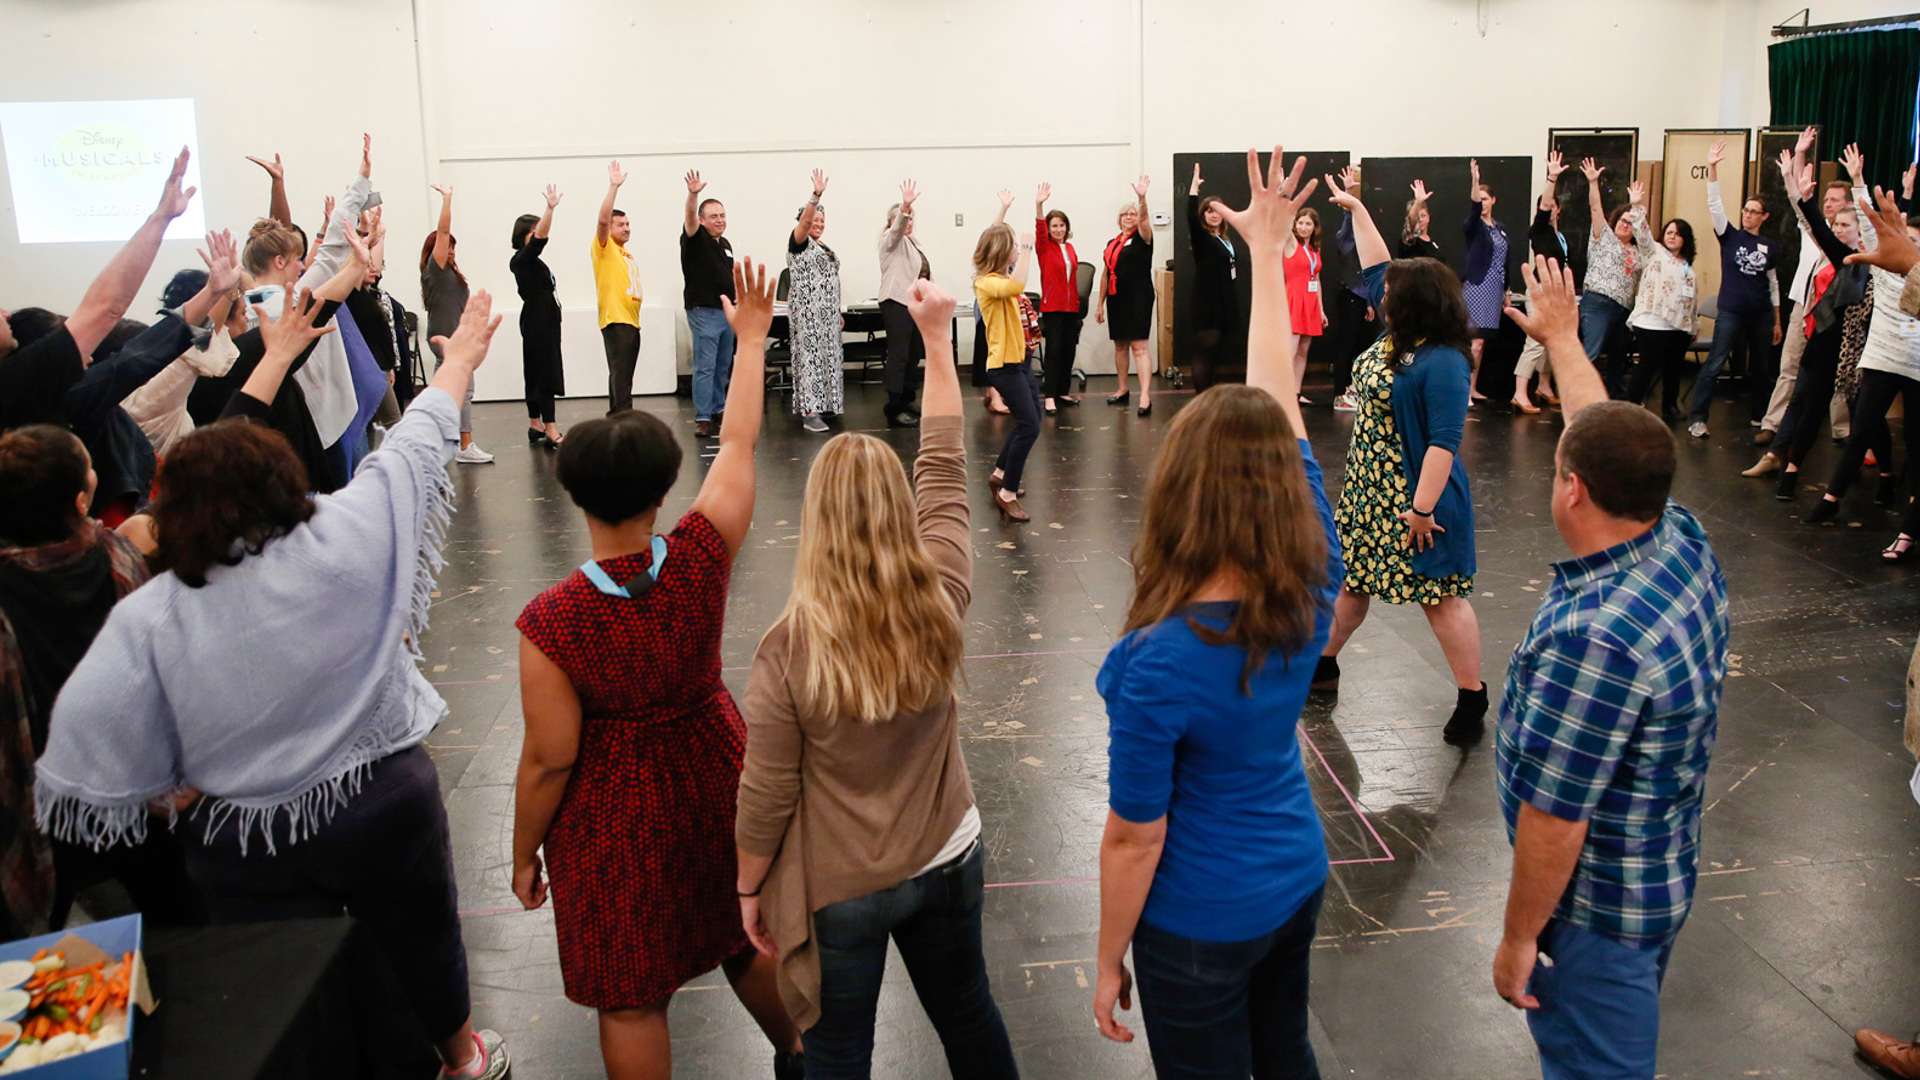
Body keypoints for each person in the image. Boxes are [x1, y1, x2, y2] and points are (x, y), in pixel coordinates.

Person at [37, 289, 514, 1080]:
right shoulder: (346, 530)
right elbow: (415, 443)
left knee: (290, 969)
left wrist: (169, 790)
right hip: (383, 801)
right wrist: (459, 358)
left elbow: (91, 741)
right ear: (283, 479)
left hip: (246, 836)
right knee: (421, 928)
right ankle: (460, 1058)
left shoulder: (152, 615)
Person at [511, 259, 803, 1080]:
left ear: (575, 496)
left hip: (612, 807)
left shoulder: (553, 620)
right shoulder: (702, 556)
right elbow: (741, 442)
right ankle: (806, 1055)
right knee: (742, 938)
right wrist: (751, 342)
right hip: (716, 769)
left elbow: (549, 758)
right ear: (666, 485)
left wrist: (523, 851)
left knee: (632, 993)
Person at [1093, 145, 1339, 1080]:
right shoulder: (1310, 577)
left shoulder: (1157, 662)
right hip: (1293, 878)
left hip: (1199, 919)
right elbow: (1281, 406)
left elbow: (1134, 835)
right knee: (1287, 1058)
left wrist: (1109, 953)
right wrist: (1273, 256)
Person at [734, 279, 1018, 1079]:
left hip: (844, 885)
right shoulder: (942, 591)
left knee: (834, 1052)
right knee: (970, 1016)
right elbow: (941, 465)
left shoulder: (790, 647)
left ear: (814, 519)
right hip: (949, 857)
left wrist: (749, 889)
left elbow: (766, 793)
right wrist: (935, 339)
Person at [1493, 254, 1730, 1080]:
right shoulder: (1678, 537)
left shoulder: (1593, 639)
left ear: (1572, 493)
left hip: (1595, 918)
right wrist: (1563, 338)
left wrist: (1521, 936)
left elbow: (1557, 819)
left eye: (1562, 470)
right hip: (1657, 869)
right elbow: (1601, 430)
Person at [0, 426, 209, 940]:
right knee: (182, 922)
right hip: (136, 789)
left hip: (43, 807)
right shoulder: (122, 561)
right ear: (81, 498)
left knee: (40, 946)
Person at [1314, 173, 1488, 746]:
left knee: (1438, 600)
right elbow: (1375, 263)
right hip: (1369, 488)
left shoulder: (1442, 361)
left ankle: (1472, 695)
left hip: (1419, 498)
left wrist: (1420, 509)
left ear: (1412, 303)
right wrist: (1358, 207)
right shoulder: (1397, 336)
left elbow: (1443, 442)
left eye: (1388, 292)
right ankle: (1323, 664)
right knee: (1353, 584)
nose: (1378, 293)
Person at [1804, 151, 1920, 535]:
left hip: (1916, 365)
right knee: (1862, 431)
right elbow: (1873, 233)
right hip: (1883, 360)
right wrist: (1856, 179)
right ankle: (1831, 498)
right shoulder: (1884, 269)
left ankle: (1906, 519)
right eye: (1908, 240)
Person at [1752, 149, 1875, 504]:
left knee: (1866, 415)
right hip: (1821, 342)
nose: (1838, 229)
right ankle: (1788, 468)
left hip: (1856, 352)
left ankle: (1881, 473)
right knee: (1807, 404)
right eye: (1836, 224)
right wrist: (1804, 197)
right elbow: (1817, 227)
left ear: (1859, 231)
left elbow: (1867, 225)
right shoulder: (1838, 255)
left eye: (1845, 225)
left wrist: (1858, 181)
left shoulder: (1873, 261)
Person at [1759, 129, 1857, 447]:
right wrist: (1799, 157)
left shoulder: (1849, 236)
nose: (1827, 205)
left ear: (1847, 206)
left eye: (1834, 201)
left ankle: (1841, 431)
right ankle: (1772, 424)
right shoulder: (1811, 226)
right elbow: (1799, 197)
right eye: (1825, 200)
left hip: (1834, 312)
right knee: (1789, 367)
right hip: (1804, 303)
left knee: (1835, 374)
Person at [1685, 139, 1782, 439]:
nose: (1748, 215)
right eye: (1746, 210)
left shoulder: (1770, 246)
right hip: (1731, 310)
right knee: (1715, 363)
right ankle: (1698, 418)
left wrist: (1778, 320)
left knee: (1762, 368)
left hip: (1762, 314)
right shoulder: (1730, 236)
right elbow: (1715, 204)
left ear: (1764, 216)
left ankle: (1759, 417)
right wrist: (1712, 168)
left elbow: (1773, 284)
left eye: (1754, 212)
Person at [974, 223, 1039, 523]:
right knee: (1029, 427)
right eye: (1011, 246)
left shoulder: (998, 278)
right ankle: (1007, 493)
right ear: (1001, 252)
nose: (1016, 250)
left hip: (1020, 362)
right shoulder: (986, 283)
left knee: (1031, 421)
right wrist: (1027, 249)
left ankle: (1000, 475)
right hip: (1003, 367)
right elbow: (1016, 286)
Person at [1576, 160, 1656, 398]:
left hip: (1623, 309)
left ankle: (1615, 400)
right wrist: (1593, 182)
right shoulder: (1605, 238)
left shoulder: (1639, 251)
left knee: (1618, 360)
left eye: (1630, 223)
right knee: (1591, 352)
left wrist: (1638, 206)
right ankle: (1580, 397)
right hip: (1599, 302)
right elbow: (1595, 208)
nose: (1626, 225)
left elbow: (1645, 234)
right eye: (1622, 220)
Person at [423, 183, 489, 463]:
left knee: (450, 390)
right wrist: (447, 200)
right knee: (462, 390)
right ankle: (464, 445)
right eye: (446, 247)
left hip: (452, 336)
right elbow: (443, 231)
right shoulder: (435, 271)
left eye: (452, 248)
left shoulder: (451, 273)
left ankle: (443, 443)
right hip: (446, 339)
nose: (450, 251)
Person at [1622, 219, 1701, 421]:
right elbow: (1643, 235)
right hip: (1652, 323)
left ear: (1685, 239)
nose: (1672, 236)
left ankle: (1670, 406)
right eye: (1669, 232)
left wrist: (1694, 325)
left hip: (1679, 326)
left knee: (1673, 369)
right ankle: (1630, 407)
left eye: (1677, 233)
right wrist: (1638, 207)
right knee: (1647, 367)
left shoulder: (1688, 266)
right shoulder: (1655, 253)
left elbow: (1692, 297)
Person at [1513, 153, 1573, 414]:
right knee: (1535, 341)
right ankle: (1519, 393)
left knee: (1552, 340)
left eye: (1552, 206)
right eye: (1545, 206)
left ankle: (1544, 387)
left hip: (1555, 293)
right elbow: (1545, 204)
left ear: (1560, 209)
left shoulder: (1560, 236)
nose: (1549, 208)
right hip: (1538, 292)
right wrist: (1552, 177)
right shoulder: (1538, 229)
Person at [788, 170, 844, 435]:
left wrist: (837, 311)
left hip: (828, 315)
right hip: (808, 315)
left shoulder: (826, 248)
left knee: (826, 359)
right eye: (813, 219)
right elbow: (806, 221)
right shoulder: (799, 243)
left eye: (822, 220)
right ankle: (809, 412)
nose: (818, 223)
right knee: (810, 359)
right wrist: (816, 195)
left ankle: (824, 404)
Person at [682, 170, 737, 439]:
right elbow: (689, 219)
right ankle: (703, 417)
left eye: (722, 215)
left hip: (727, 313)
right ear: (702, 221)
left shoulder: (724, 244)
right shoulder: (695, 239)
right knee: (705, 366)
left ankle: (719, 409)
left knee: (723, 365)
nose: (719, 220)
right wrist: (693, 194)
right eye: (713, 216)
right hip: (704, 312)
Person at [511, 184, 566, 447]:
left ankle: (535, 423)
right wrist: (550, 209)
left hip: (542, 318)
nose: (538, 234)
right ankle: (551, 428)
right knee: (543, 372)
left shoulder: (532, 262)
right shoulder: (522, 260)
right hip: (537, 320)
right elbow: (540, 241)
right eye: (533, 231)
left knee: (536, 370)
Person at [1096, 176, 1155, 414]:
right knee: (1120, 345)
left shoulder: (1142, 238)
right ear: (1119, 219)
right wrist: (1100, 303)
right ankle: (1122, 389)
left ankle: (1145, 396)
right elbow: (1105, 274)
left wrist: (1142, 199)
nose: (1129, 217)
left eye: (1132, 213)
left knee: (1139, 347)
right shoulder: (1112, 243)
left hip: (1138, 296)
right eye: (1125, 214)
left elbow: (1144, 219)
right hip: (1116, 298)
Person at [877, 179, 930, 428]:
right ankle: (894, 407)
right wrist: (905, 207)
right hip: (896, 302)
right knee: (899, 355)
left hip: (914, 305)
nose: (908, 224)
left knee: (913, 354)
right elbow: (897, 230)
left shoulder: (914, 243)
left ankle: (908, 398)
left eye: (911, 220)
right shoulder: (890, 240)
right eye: (903, 220)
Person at [592, 160, 644, 416]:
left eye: (627, 224)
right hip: (617, 321)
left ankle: (617, 417)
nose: (626, 228)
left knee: (622, 375)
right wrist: (613, 187)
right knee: (622, 377)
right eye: (620, 224)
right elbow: (602, 221)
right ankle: (623, 420)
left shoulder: (626, 253)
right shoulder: (605, 248)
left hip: (631, 322)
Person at [1186, 164, 1242, 393]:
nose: (1214, 214)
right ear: (1203, 214)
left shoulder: (1225, 239)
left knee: (1216, 353)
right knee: (1205, 352)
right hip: (1207, 303)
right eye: (1209, 210)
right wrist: (1193, 190)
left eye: (1218, 210)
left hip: (1224, 302)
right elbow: (1190, 216)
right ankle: (1202, 398)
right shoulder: (1202, 238)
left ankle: (1209, 394)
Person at [1329, 166, 1380, 413]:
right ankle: (1339, 392)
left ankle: (1354, 390)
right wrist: (1349, 198)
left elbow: (1369, 274)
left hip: (1363, 298)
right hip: (1349, 295)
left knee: (1361, 346)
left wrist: (1370, 302)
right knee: (1346, 346)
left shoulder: (1363, 240)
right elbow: (1348, 225)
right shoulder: (1345, 235)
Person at [1462, 159, 1509, 403]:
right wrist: (1475, 181)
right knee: (1475, 342)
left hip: (1494, 289)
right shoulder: (1474, 226)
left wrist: (1507, 291)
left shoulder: (1500, 228)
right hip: (1477, 287)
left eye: (1486, 199)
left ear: (1494, 201)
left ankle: (1472, 388)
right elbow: (1472, 209)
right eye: (1479, 199)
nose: (1482, 203)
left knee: (1482, 344)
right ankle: (1464, 392)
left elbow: (1505, 260)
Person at [1034, 183, 1085, 414]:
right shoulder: (1044, 248)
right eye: (1054, 226)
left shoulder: (1071, 248)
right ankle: (1050, 396)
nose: (1058, 229)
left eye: (1061, 225)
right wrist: (1039, 205)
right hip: (1052, 307)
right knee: (1053, 351)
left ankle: (1063, 391)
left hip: (1071, 307)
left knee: (1068, 350)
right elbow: (1039, 231)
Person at [1284, 205, 1326, 403]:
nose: (1303, 227)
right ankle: (1281, 393)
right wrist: (1284, 193)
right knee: (1290, 351)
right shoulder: (1292, 245)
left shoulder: (1314, 249)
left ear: (1314, 227)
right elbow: (1284, 221)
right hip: (1293, 299)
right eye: (1300, 223)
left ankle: (1295, 393)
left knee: (1302, 351)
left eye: (1308, 223)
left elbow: (1316, 280)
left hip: (1310, 302)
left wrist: (1321, 310)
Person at [1398, 180, 1442, 261]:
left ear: (1428, 218)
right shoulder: (1410, 241)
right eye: (1417, 217)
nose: (1420, 220)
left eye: (1423, 216)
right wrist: (1418, 201)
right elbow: (1411, 223)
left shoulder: (1433, 242)